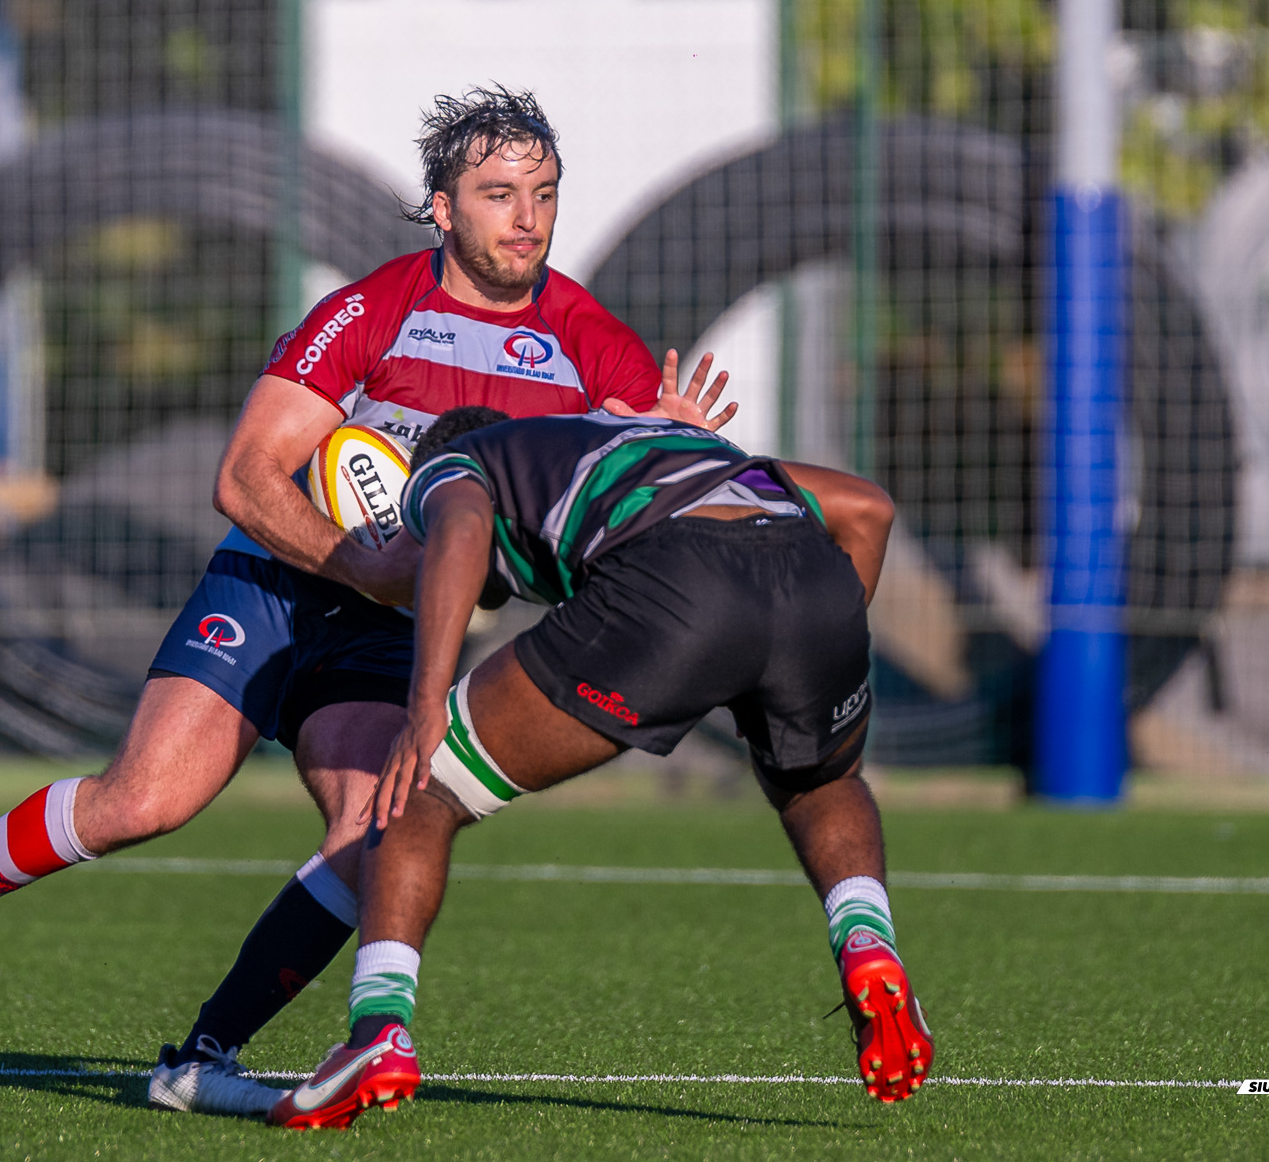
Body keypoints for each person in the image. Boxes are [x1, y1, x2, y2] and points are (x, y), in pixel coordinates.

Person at [0, 86, 734, 1118]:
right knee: (144, 800)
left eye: (544, 194)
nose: (527, 218)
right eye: (499, 194)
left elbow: (622, 498)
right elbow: (244, 476)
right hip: (277, 580)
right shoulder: (373, 310)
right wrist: (359, 564)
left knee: (374, 829)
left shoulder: (593, 346)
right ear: (444, 208)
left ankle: (197, 1058)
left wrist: (663, 447)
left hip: (394, 625)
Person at [264, 406, 932, 1131]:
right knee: (819, 781)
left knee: (421, 786)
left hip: (677, 578)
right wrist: (791, 662)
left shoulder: (454, 461)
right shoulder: (669, 442)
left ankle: (376, 1034)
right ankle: (866, 938)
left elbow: (460, 526)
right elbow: (867, 507)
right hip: (813, 578)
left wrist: (425, 703)